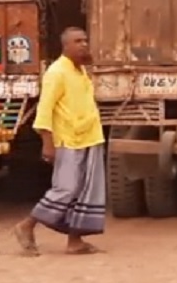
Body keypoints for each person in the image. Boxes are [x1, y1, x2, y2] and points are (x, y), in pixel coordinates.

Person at [13, 27, 107, 256]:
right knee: (65, 188)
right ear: (65, 46)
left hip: (90, 137)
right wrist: (48, 143)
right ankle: (26, 225)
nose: (83, 44)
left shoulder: (80, 70)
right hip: (68, 139)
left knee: (84, 191)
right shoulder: (57, 72)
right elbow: (44, 110)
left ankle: (75, 241)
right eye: (77, 41)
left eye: (85, 40)